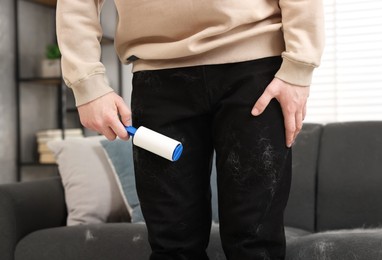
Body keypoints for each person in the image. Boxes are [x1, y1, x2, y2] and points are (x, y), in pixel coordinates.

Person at [56, 1, 324, 259]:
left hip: (256, 69)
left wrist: (298, 69)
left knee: (256, 244)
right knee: (173, 244)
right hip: (157, 73)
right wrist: (87, 83)